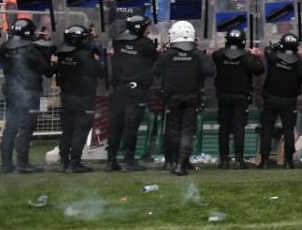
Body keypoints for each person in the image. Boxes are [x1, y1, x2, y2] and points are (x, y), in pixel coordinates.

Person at [154, 20, 215, 176]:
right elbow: (209, 71)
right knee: (187, 131)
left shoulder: (167, 55)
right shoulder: (197, 55)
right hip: (192, 97)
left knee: (172, 130)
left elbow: (156, 72)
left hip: (172, 97)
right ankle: (182, 162)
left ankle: (171, 161)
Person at [0, 18, 54, 174]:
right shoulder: (31, 50)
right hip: (29, 94)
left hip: (11, 92)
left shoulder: (5, 48)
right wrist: (51, 59)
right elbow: (47, 71)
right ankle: (23, 163)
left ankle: (6, 164)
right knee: (26, 128)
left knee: (10, 128)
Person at [108, 16, 159, 171]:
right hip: (136, 90)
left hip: (118, 89)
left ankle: (111, 160)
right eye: (146, 27)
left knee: (116, 125)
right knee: (131, 126)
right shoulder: (146, 44)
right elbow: (154, 60)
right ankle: (129, 160)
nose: (148, 30)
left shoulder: (118, 41)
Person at [54, 25, 104, 173]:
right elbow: (101, 72)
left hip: (66, 96)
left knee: (67, 130)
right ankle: (75, 163)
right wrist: (97, 59)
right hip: (84, 98)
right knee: (81, 130)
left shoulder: (61, 54)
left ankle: (64, 161)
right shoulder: (85, 56)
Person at [212, 29, 264, 169]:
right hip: (241, 96)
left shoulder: (219, 55)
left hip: (223, 96)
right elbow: (259, 70)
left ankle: (224, 160)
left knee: (224, 128)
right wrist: (255, 56)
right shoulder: (246, 58)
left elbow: (215, 56)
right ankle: (239, 160)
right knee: (239, 128)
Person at [259, 33, 302, 168]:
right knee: (288, 131)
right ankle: (288, 161)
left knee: (266, 130)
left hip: (271, 98)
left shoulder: (274, 58)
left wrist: (276, 45)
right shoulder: (297, 62)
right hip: (288, 100)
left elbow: (267, 50)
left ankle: (264, 161)